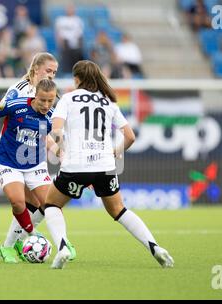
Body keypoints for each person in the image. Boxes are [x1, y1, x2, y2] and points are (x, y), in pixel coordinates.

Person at [44, 60, 174, 269]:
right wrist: (114, 151)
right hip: (104, 165)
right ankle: (155, 247)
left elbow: (56, 130)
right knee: (119, 211)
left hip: (75, 165)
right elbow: (130, 136)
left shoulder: (67, 98)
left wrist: (61, 153)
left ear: (77, 79)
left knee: (51, 204)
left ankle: (62, 248)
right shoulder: (108, 102)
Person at [0, 52, 76, 263]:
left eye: (54, 72)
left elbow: (46, 133)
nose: (52, 75)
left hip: (35, 160)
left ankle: (29, 239)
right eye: (48, 70)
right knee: (23, 202)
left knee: (48, 204)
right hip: (12, 156)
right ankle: (28, 238)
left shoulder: (51, 99)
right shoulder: (18, 93)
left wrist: (62, 153)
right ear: (35, 69)